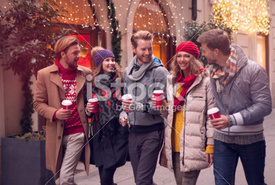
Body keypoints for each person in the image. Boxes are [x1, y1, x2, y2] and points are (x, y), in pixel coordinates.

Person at [197, 29, 272, 185]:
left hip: (252, 140)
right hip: (222, 141)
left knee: (255, 182)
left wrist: (231, 120)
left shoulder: (254, 70)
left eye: (204, 50)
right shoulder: (212, 71)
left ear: (216, 51)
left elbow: (264, 105)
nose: (202, 54)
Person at [33, 36, 91, 184]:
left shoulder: (85, 73)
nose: (79, 56)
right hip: (56, 132)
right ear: (63, 54)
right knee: (59, 179)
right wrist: (55, 113)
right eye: (75, 53)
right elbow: (38, 104)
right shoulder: (44, 74)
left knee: (65, 178)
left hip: (77, 132)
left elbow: (94, 95)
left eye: (79, 52)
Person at [156, 41, 216, 185]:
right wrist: (161, 105)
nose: (182, 59)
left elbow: (210, 116)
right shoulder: (172, 81)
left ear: (194, 58)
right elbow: (169, 114)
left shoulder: (206, 82)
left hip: (194, 143)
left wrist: (210, 145)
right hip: (174, 143)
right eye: (179, 56)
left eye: (187, 56)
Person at [120, 30, 169, 185]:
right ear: (134, 49)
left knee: (142, 181)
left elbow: (164, 106)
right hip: (133, 132)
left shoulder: (159, 71)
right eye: (143, 49)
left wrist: (139, 107)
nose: (147, 53)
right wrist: (123, 113)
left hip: (153, 132)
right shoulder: (128, 71)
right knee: (142, 180)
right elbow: (124, 99)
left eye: (150, 48)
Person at [86, 49, 129, 185]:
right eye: (107, 60)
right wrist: (88, 110)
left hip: (117, 130)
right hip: (100, 131)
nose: (111, 63)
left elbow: (123, 103)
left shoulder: (120, 80)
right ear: (100, 63)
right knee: (103, 172)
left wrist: (123, 115)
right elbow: (87, 108)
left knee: (107, 172)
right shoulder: (91, 83)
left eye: (112, 59)